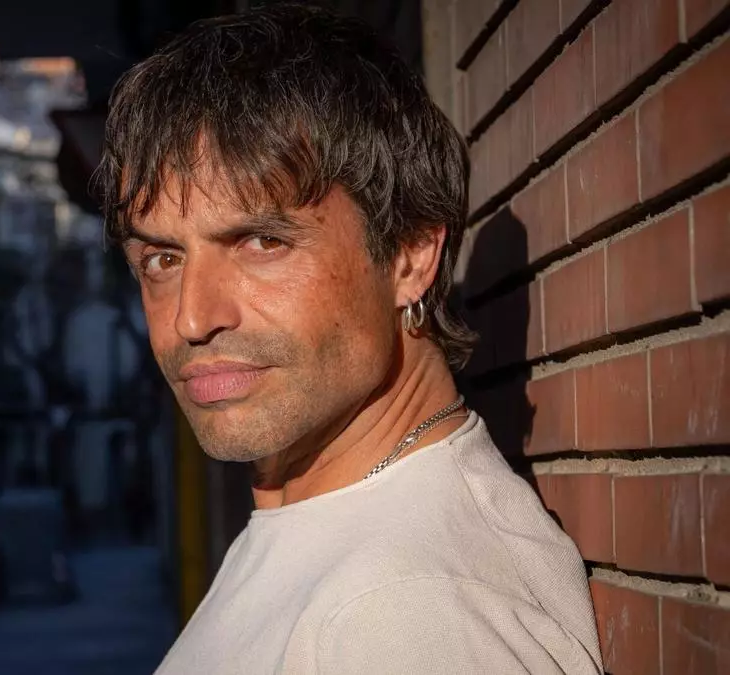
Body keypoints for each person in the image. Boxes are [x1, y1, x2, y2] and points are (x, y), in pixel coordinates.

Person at [95, 4, 601, 673]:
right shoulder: (327, 521)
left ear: (410, 254)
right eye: (163, 258)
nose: (192, 317)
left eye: (261, 242)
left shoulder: (403, 612)